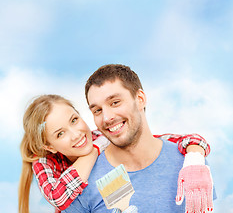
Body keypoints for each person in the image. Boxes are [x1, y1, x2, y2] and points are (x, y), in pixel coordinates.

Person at [18, 94, 211, 213]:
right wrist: (92, 152)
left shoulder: (99, 137)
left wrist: (195, 155)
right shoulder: (43, 162)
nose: (76, 134)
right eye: (60, 133)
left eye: (74, 120)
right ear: (50, 146)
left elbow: (161, 139)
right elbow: (58, 197)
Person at [63, 64, 215, 213]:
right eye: (97, 110)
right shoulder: (84, 181)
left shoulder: (190, 164)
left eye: (115, 102)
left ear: (140, 99)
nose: (107, 117)